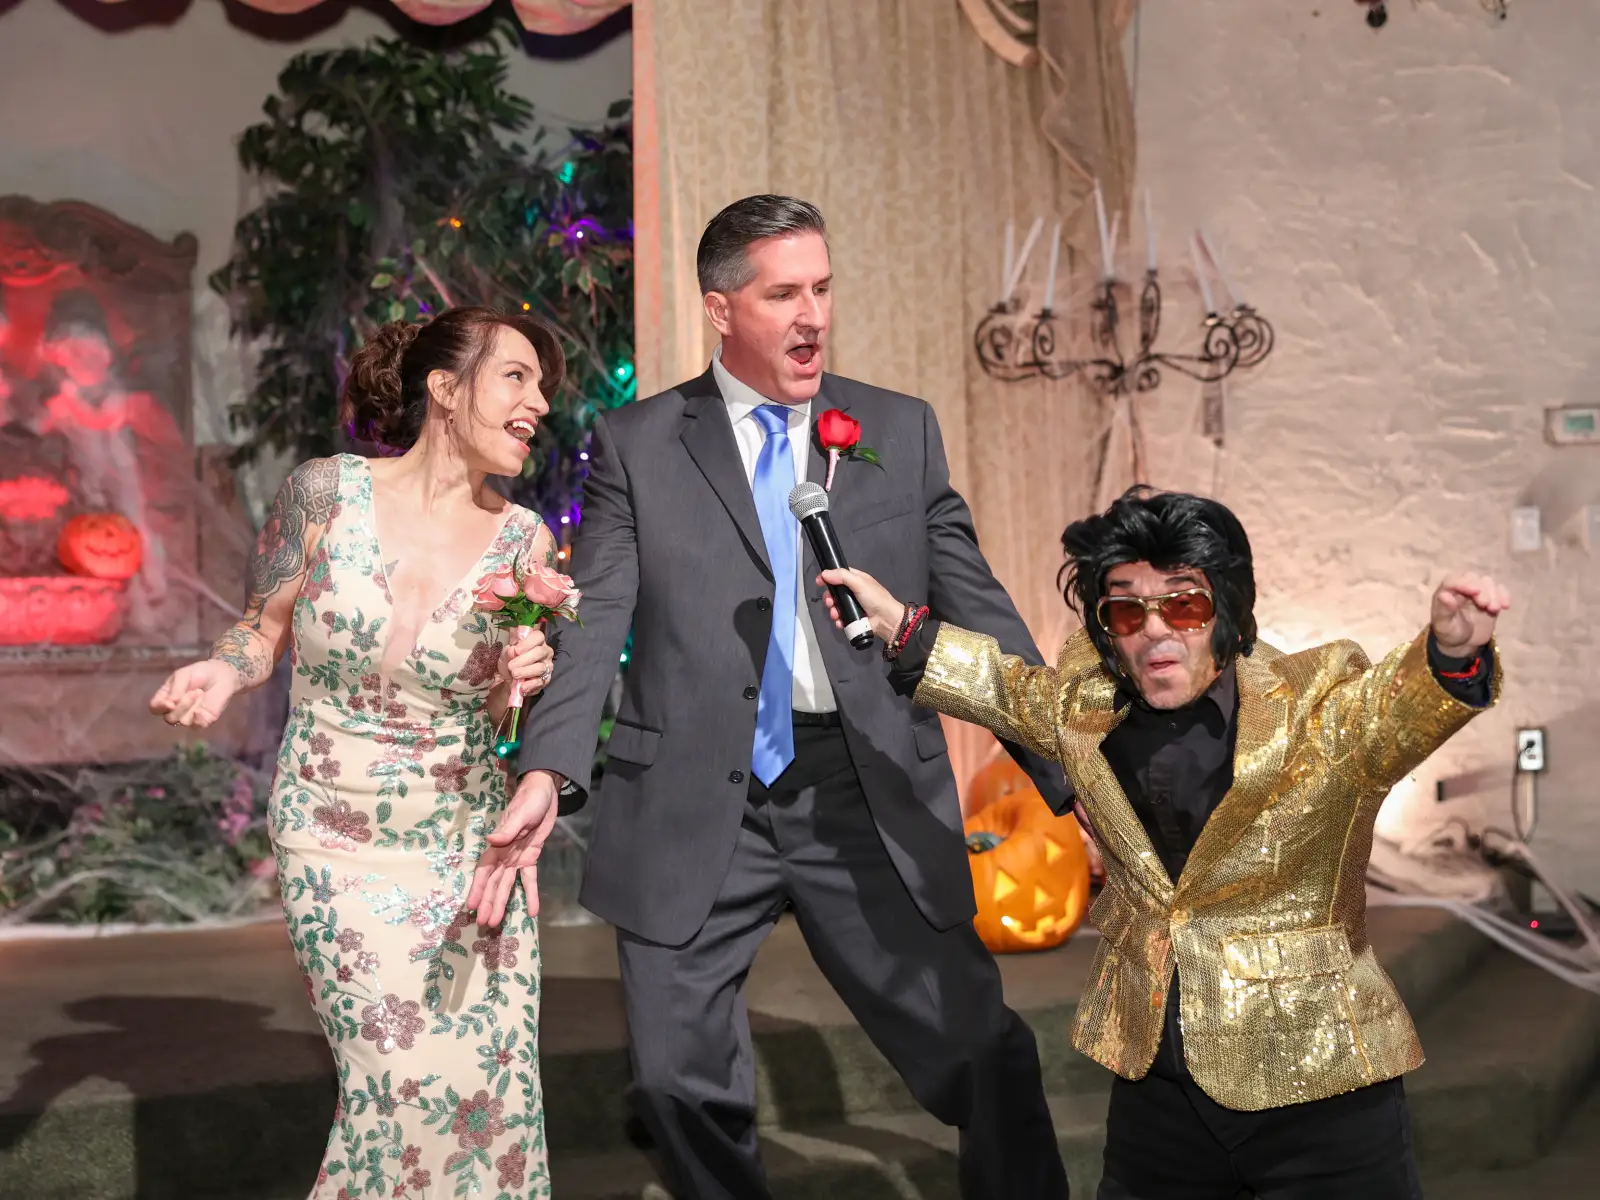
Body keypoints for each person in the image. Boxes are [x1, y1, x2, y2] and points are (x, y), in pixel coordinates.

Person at [489, 194, 1072, 1199]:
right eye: (783, 293)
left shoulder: (895, 429)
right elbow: (597, 613)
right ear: (721, 309)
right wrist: (547, 765)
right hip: (693, 793)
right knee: (677, 1089)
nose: (813, 316)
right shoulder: (639, 442)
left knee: (979, 1054)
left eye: (823, 288)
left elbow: (984, 614)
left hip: (866, 785)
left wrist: (1070, 778)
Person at [820, 486, 1506, 1200]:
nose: (1155, 631)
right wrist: (902, 626)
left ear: (1227, 612)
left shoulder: (1315, 708)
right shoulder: (1087, 708)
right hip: (1160, 1089)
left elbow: (1393, 713)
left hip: (1319, 1087)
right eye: (1126, 609)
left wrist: (1452, 655)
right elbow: (1004, 688)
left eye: (1184, 605)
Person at [148, 307, 567, 1200]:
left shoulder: (527, 542)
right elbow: (260, 634)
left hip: (465, 849)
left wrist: (522, 675)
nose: (539, 405)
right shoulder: (324, 492)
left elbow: (499, 719)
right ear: (446, 391)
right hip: (333, 841)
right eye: (517, 379)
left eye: (543, 389)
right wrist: (222, 675)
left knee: (482, 1100)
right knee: (398, 1079)